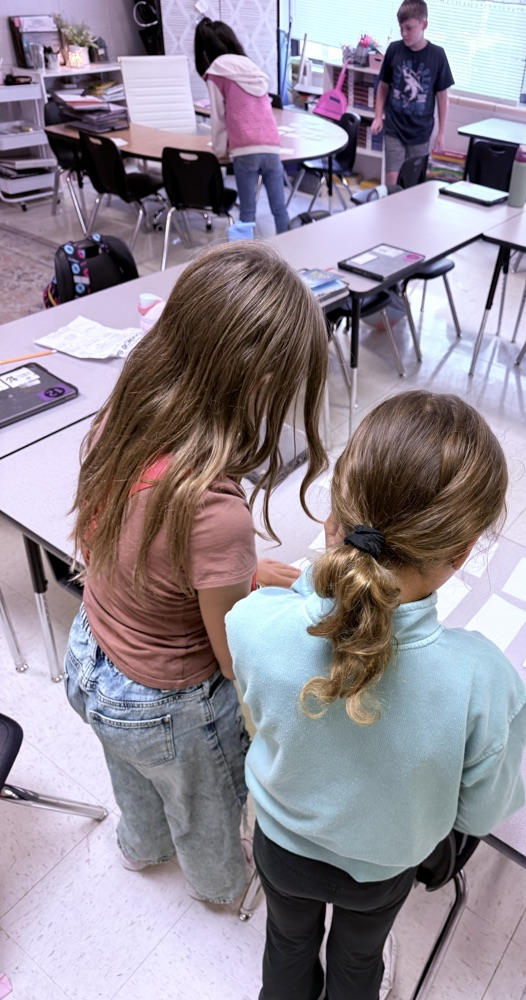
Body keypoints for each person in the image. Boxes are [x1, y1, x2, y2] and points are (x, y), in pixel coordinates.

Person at [227, 390, 526, 999]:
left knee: (286, 943)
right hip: (382, 869)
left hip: (281, 846)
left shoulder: (253, 622)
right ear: (462, 551)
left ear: (332, 519)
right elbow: (478, 813)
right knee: (359, 960)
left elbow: (260, 720)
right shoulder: (484, 681)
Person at [64, 241, 328, 905]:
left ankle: (139, 848)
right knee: (205, 803)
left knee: (134, 777)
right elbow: (232, 658)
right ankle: (220, 887)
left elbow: (149, 556)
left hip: (91, 655)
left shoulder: (121, 420)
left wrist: (244, 574)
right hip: (167, 703)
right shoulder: (214, 510)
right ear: (260, 385)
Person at [194, 17, 289, 238]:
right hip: (272, 145)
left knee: (247, 212)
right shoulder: (251, 67)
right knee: (279, 208)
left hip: (244, 149)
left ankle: (247, 263)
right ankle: (288, 250)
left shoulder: (216, 73)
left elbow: (218, 117)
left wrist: (219, 151)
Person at [371, 0, 454, 186]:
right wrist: (378, 117)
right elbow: (383, 87)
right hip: (394, 127)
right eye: (401, 28)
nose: (404, 33)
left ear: (424, 24)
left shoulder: (437, 56)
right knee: (393, 180)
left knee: (412, 182)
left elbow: (442, 98)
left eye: (409, 28)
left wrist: (441, 132)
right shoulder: (394, 50)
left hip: (420, 131)